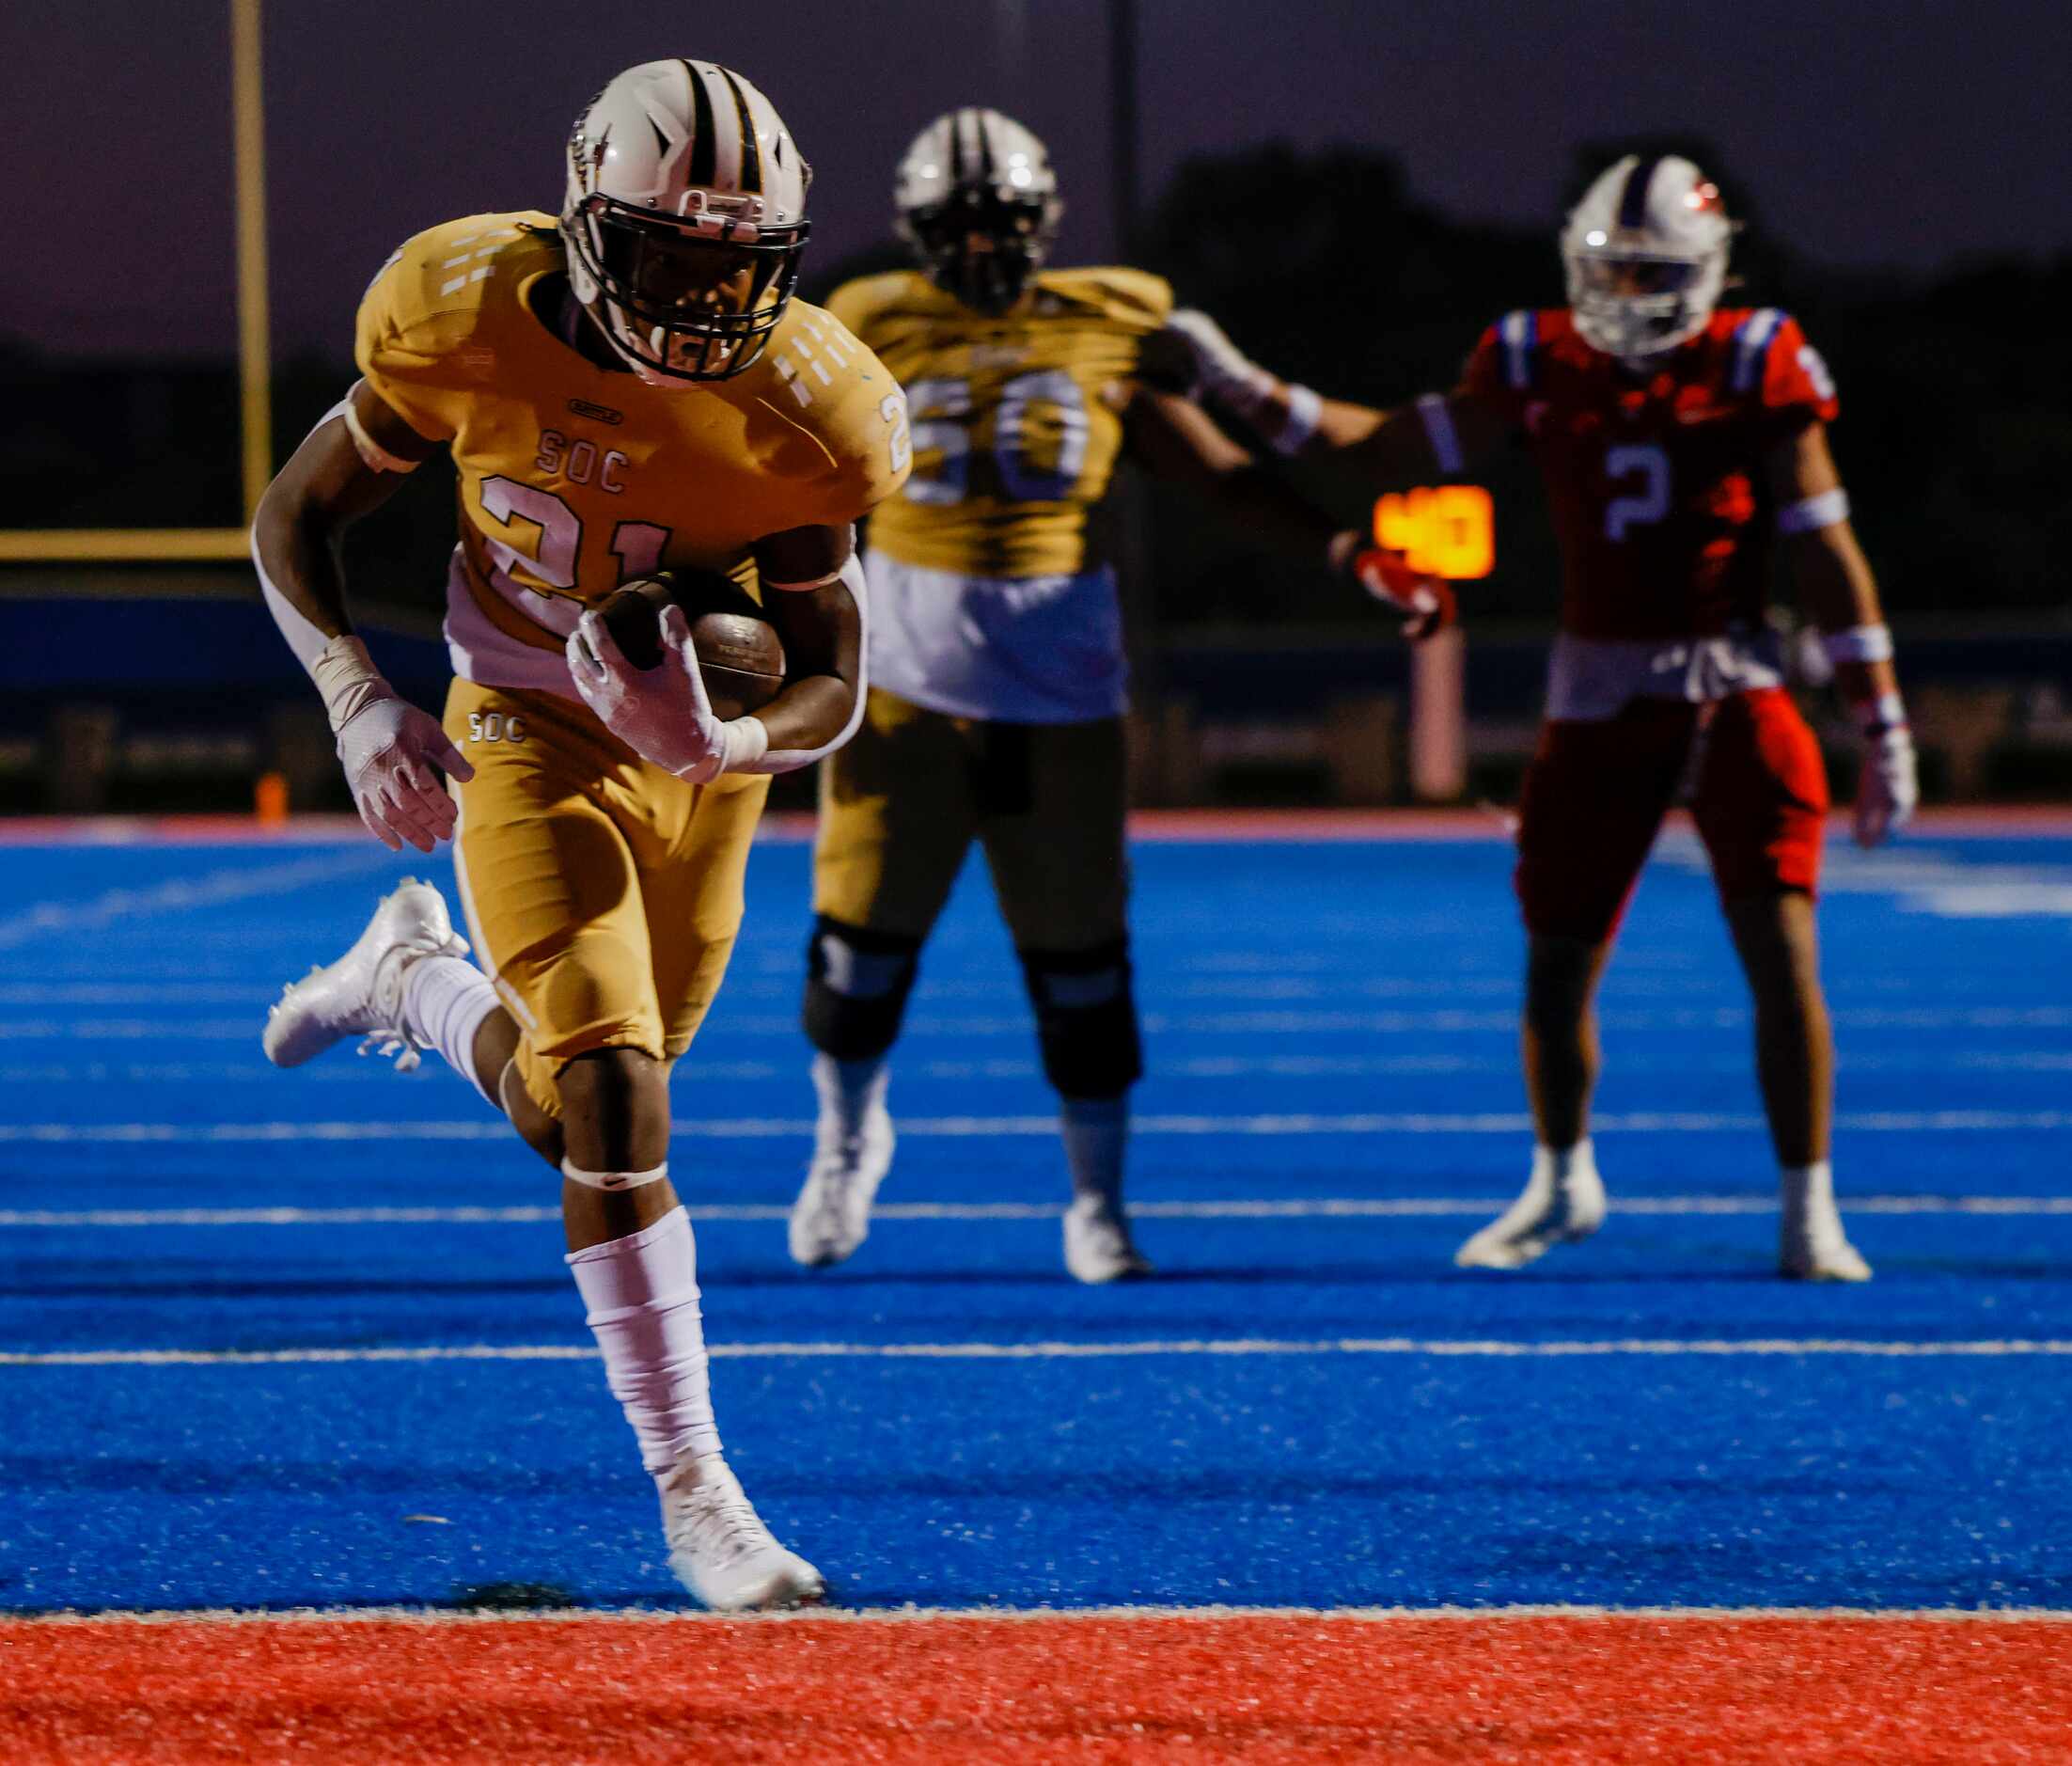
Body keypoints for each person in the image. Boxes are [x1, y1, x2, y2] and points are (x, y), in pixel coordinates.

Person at [250, 59, 911, 1607]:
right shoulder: (461, 309)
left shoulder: (815, 407)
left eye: (734, 268)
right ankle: (696, 1489)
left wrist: (724, 732)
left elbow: (832, 680)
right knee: (618, 1099)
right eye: (669, 258)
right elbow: (295, 515)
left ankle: (415, 981)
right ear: (585, 222)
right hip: (526, 724)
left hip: (701, 763)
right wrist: (359, 704)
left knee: (581, 1112)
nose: (699, 299)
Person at [1172, 153, 1917, 1281]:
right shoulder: (1534, 359)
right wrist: (1234, 383)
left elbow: (1822, 549)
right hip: (1595, 687)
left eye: (1654, 274)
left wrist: (1882, 720)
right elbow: (1382, 449)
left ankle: (1807, 1206)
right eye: (1610, 274)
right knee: (1557, 960)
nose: (1629, 299)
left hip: (1730, 682)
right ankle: (1562, 1179)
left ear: (1709, 270)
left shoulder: (1757, 360)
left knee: (1781, 953)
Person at [788, 107, 1387, 1283]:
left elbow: (1219, 474)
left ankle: (1096, 1204)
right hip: (904, 692)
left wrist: (1348, 554)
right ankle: (844, 1145)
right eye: (954, 227)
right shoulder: (863, 319)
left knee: (1083, 971)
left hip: (1061, 701)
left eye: (997, 224)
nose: (975, 248)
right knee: (855, 961)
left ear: (1039, 224)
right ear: (917, 230)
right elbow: (784, 470)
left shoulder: (1109, 318)